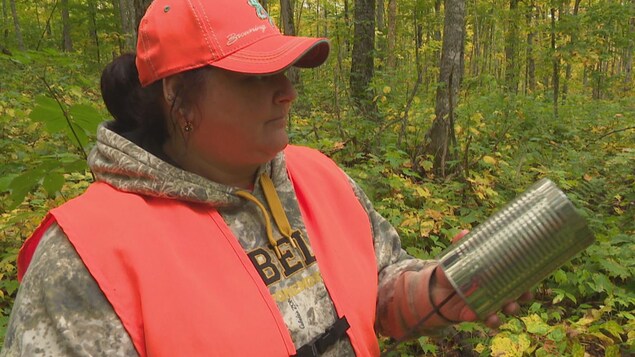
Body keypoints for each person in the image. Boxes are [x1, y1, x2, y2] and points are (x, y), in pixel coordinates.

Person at [1, 0, 530, 356]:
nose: (287, 92)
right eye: (256, 76)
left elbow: (378, 291)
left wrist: (442, 290)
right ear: (177, 95)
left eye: (284, 71)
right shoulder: (86, 259)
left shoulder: (317, 176)